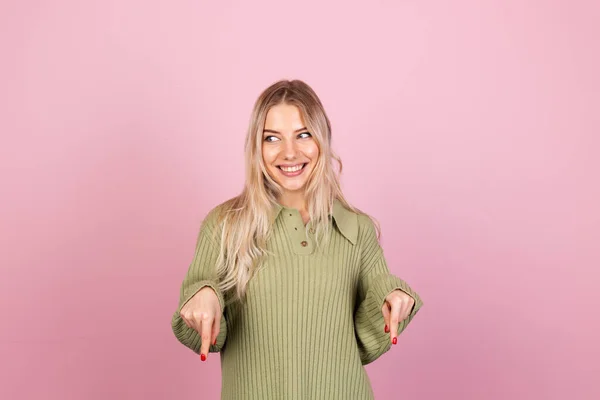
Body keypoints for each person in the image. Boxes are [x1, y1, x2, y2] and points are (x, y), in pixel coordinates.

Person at [171, 79, 424, 399]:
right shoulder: (225, 225)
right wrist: (204, 294)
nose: (289, 153)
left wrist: (392, 297)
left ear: (322, 138)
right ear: (256, 147)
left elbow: (365, 338)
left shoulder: (355, 229)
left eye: (303, 134)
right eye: (272, 138)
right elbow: (202, 336)